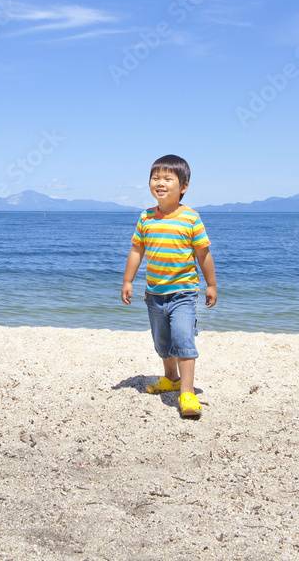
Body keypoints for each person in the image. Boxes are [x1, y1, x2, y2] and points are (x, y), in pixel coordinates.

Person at [121, 154, 217, 419]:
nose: (160, 183)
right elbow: (136, 251)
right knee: (162, 341)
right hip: (154, 294)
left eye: (167, 178)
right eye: (155, 178)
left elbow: (203, 254)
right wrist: (128, 280)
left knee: (184, 339)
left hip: (184, 293)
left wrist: (211, 284)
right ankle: (170, 378)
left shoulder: (191, 219)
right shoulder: (146, 218)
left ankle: (186, 392)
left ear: (183, 186)